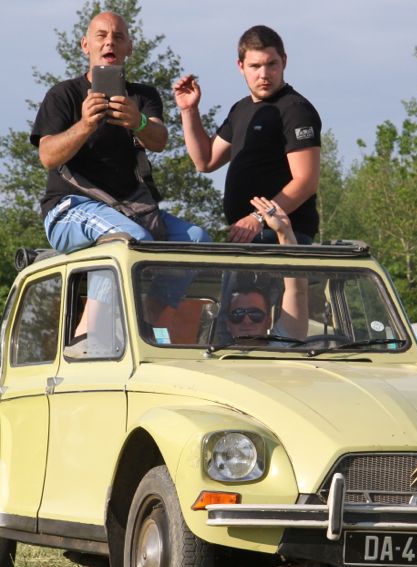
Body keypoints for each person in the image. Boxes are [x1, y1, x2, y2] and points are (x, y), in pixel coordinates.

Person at [31, 11, 210, 251]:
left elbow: (159, 141)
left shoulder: (144, 96)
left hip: (130, 208)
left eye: (118, 37)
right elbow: (47, 156)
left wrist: (138, 122)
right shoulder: (62, 94)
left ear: (129, 48)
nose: (109, 42)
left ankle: (160, 281)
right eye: (101, 36)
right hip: (70, 207)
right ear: (85, 45)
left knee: (199, 240)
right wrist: (85, 124)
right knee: (134, 241)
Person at [173, 25, 321, 245]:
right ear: (241, 66)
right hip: (246, 236)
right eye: (255, 66)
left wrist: (259, 217)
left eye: (271, 64)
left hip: (283, 238)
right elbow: (205, 161)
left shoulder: (295, 110)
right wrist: (189, 110)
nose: (264, 74)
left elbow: (306, 181)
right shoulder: (241, 109)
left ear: (284, 61)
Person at [224, 196, 308, 344]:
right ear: (227, 323)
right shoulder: (209, 355)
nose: (247, 321)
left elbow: (297, 291)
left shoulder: (281, 347)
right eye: (237, 315)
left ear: (268, 321)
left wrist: (284, 232)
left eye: (255, 314)